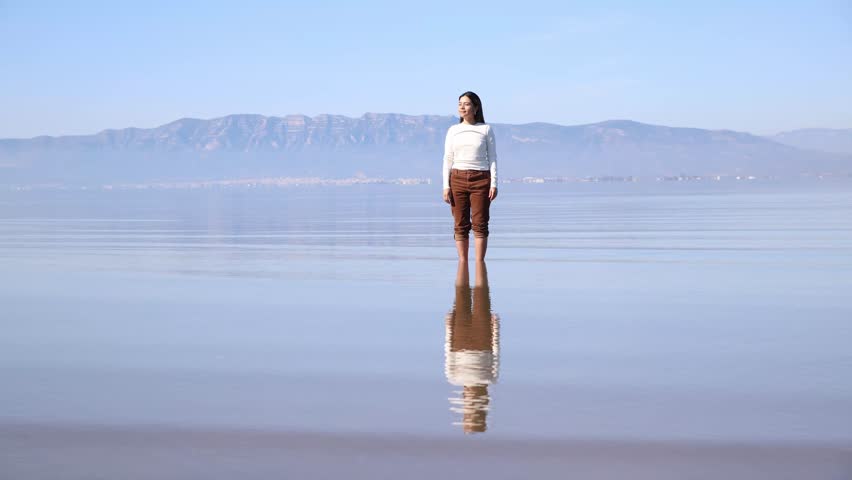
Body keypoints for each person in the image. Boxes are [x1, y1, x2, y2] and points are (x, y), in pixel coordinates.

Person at [444, 261, 500, 434]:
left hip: (465, 341)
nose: (469, 400)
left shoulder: (455, 379)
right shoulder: (489, 380)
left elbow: (448, 355)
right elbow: (496, 354)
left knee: (468, 296)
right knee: (473, 295)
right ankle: (470, 263)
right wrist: (495, 329)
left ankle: (468, 263)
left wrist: (448, 328)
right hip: (476, 341)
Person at [442, 91, 498, 262]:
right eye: (460, 103)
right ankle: (463, 264)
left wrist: (493, 184)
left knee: (480, 224)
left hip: (481, 179)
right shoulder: (453, 130)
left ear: (475, 107)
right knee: (460, 225)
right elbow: (447, 159)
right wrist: (446, 185)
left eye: (466, 103)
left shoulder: (485, 129)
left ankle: (480, 265)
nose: (462, 107)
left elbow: (493, 157)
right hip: (457, 179)